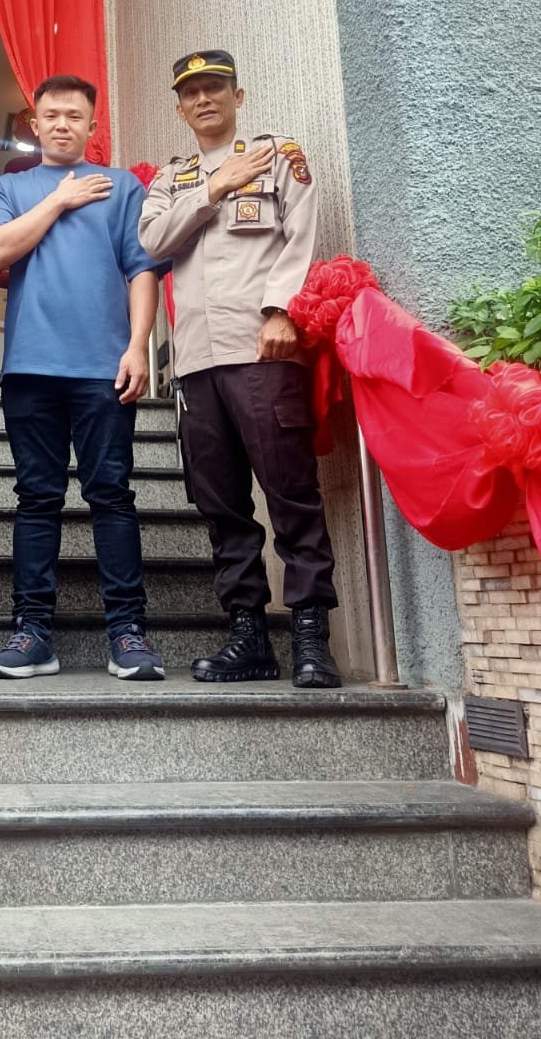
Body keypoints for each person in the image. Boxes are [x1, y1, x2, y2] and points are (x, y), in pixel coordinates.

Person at [138, 49, 341, 689]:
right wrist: (215, 187)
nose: (204, 99)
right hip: (197, 363)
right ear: (179, 108)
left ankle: (311, 636)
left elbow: (301, 237)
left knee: (290, 494)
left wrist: (282, 310)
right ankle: (248, 635)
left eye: (215, 87)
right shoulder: (171, 179)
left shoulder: (279, 155)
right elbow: (152, 241)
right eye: (191, 92)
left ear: (238, 95)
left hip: (262, 351)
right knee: (221, 504)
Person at [0, 74, 164, 682]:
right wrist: (58, 200)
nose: (62, 124)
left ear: (91, 125)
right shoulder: (9, 187)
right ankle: (32, 633)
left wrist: (138, 347)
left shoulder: (123, 186)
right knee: (37, 499)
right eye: (51, 115)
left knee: (111, 495)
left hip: (103, 368)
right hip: (31, 367)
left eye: (74, 116)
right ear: (34, 124)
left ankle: (127, 633)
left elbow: (141, 270)